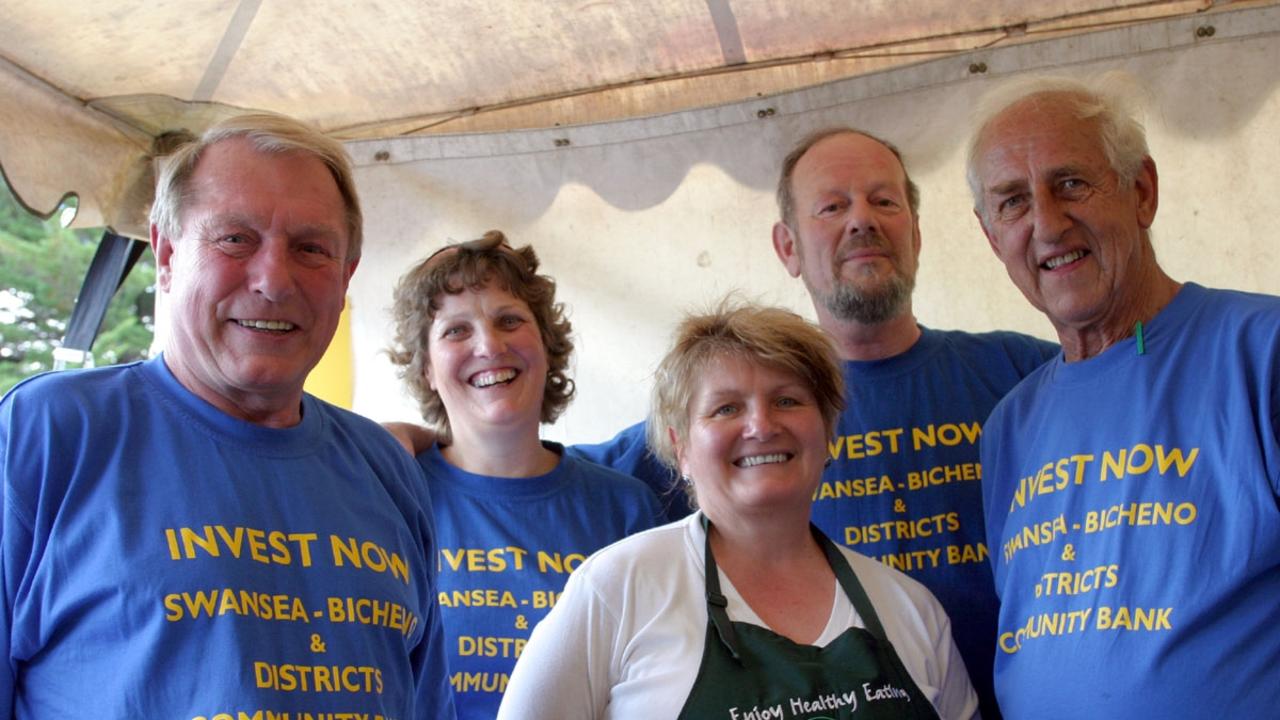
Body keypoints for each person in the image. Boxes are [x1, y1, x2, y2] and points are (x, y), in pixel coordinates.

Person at [571, 128, 1056, 718]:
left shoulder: (1021, 374)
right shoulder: (730, 425)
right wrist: (432, 441)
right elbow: (540, 472)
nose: (862, 221)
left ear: (917, 231)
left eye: (884, 201)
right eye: (832, 206)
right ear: (788, 246)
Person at [0, 114, 455, 718]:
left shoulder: (386, 471)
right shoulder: (48, 433)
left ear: (345, 279)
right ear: (166, 255)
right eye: (235, 238)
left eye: (311, 249)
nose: (273, 279)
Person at [967, 73, 1280, 718]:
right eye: (1013, 202)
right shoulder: (1009, 426)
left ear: (1142, 191)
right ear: (991, 235)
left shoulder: (1262, 352)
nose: (1048, 224)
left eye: (1071, 183)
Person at [498, 302, 979, 719]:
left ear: (828, 432)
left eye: (787, 400)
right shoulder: (616, 589)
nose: (761, 425)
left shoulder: (911, 609)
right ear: (680, 447)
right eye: (726, 408)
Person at [387, 231, 662, 719]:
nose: (489, 345)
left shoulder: (625, 508)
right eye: (456, 330)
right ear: (426, 367)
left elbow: (654, 685)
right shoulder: (393, 497)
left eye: (509, 320)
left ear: (547, 344)